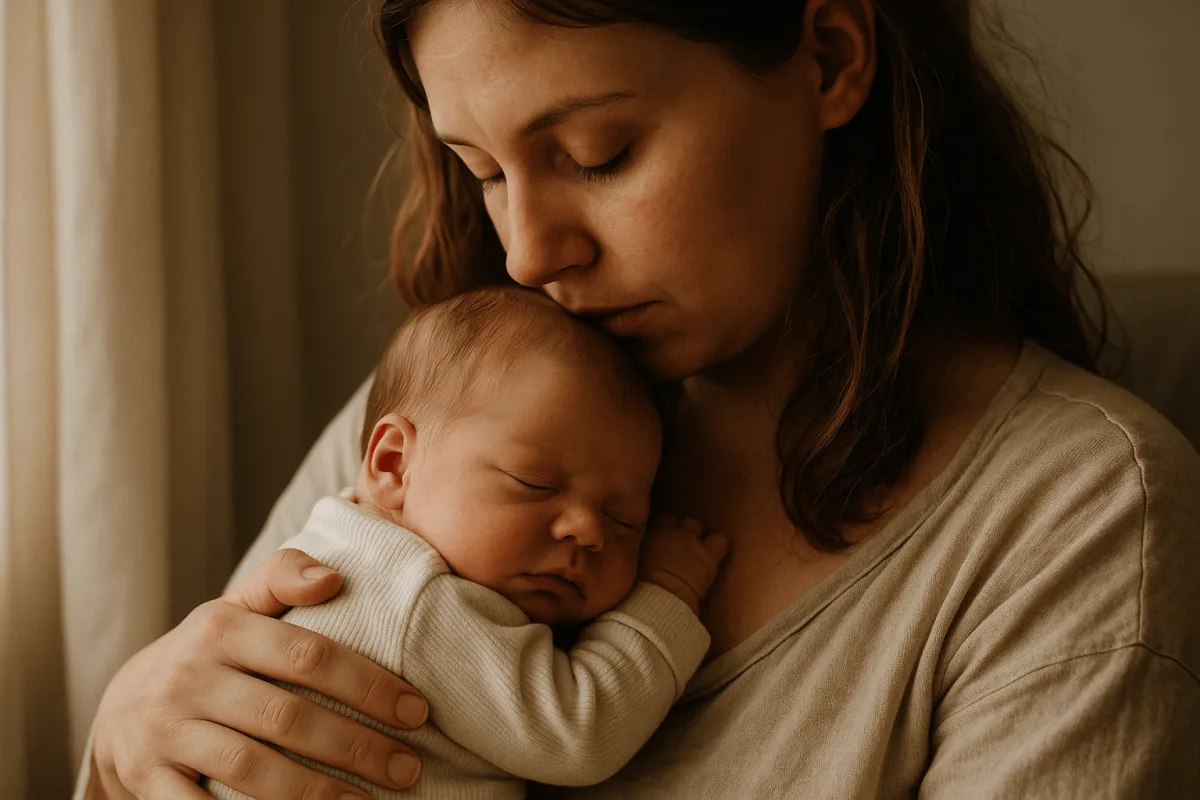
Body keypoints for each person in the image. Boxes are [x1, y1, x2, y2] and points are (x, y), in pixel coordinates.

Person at [78, 0, 1200, 798]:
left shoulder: (1078, 514)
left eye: (599, 153)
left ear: (828, 56)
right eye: (482, 170)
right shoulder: (455, 421)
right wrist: (126, 743)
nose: (528, 254)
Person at [203, 285, 726, 799]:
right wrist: (667, 593)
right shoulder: (413, 596)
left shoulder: (340, 539)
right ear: (393, 465)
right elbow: (579, 735)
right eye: (534, 483)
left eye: (624, 520)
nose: (588, 531)